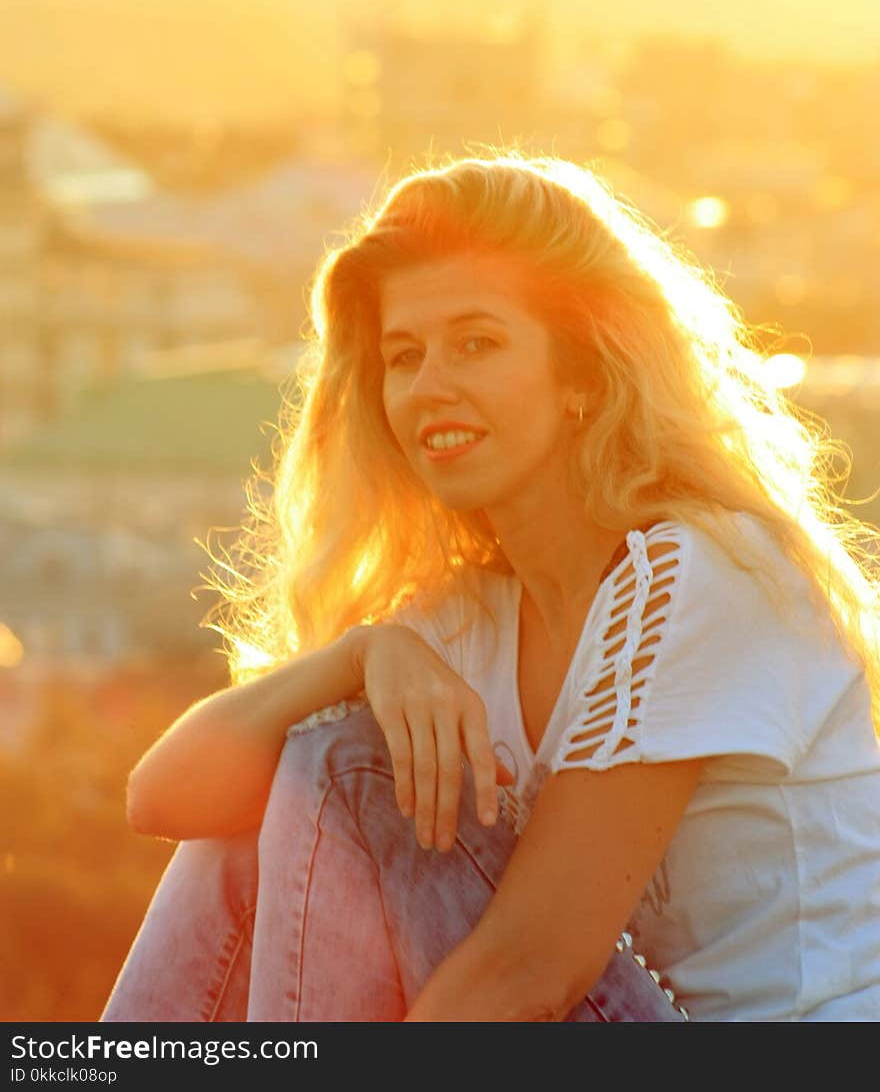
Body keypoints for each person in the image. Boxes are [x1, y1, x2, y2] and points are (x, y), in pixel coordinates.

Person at [102, 154, 880, 1022]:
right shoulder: (468, 620)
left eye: (477, 343)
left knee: (349, 769)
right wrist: (361, 654)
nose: (431, 386)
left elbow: (531, 972)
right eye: (406, 355)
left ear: (582, 372)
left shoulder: (705, 571)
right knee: (264, 819)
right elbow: (162, 799)